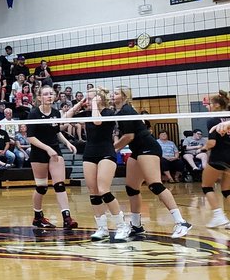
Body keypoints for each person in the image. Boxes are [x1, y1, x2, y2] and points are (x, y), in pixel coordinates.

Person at [112, 86, 189, 239]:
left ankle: (181, 222)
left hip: (148, 148)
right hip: (138, 150)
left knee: (155, 184)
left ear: (124, 96)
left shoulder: (126, 111)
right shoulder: (121, 111)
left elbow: (129, 136)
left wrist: (112, 149)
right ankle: (136, 226)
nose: (112, 95)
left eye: (115, 93)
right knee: (131, 188)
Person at [65, 89, 123, 240]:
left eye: (91, 98)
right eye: (87, 98)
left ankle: (122, 226)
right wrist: (79, 103)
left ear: (100, 99)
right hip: (89, 153)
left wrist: (95, 105)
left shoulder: (109, 112)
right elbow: (65, 118)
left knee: (104, 190)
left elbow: (98, 121)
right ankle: (102, 228)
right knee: (93, 192)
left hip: (106, 152)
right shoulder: (86, 113)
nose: (88, 100)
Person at [25, 87, 77, 231]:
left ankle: (67, 218)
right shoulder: (33, 113)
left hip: (55, 151)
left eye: (51, 94)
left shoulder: (55, 113)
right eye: (46, 94)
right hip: (39, 153)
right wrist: (46, 148)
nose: (49, 96)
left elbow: (57, 132)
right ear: (39, 97)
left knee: (59, 185)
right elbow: (30, 137)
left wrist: (67, 143)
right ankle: (37, 216)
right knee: (41, 187)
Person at [202, 91, 230, 230]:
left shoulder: (213, 120)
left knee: (207, 186)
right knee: (227, 190)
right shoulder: (229, 117)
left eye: (209, 105)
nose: (207, 107)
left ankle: (218, 215)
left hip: (219, 156)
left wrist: (202, 149)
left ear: (217, 105)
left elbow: (212, 143)